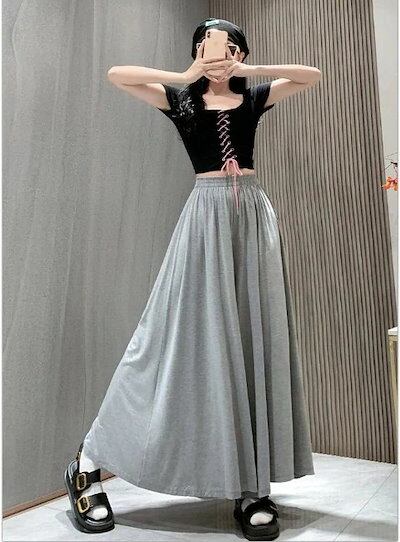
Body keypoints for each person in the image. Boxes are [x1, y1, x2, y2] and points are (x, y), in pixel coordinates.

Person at [64, 17, 321, 541]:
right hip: (204, 218)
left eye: (226, 47)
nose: (216, 54)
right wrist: (184, 75)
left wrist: (251, 70)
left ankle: (250, 486)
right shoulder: (181, 101)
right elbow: (117, 74)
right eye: (206, 46)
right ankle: (87, 461)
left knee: (251, 339)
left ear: (239, 52)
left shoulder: (253, 97)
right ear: (196, 53)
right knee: (168, 340)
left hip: (251, 218)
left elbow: (311, 75)